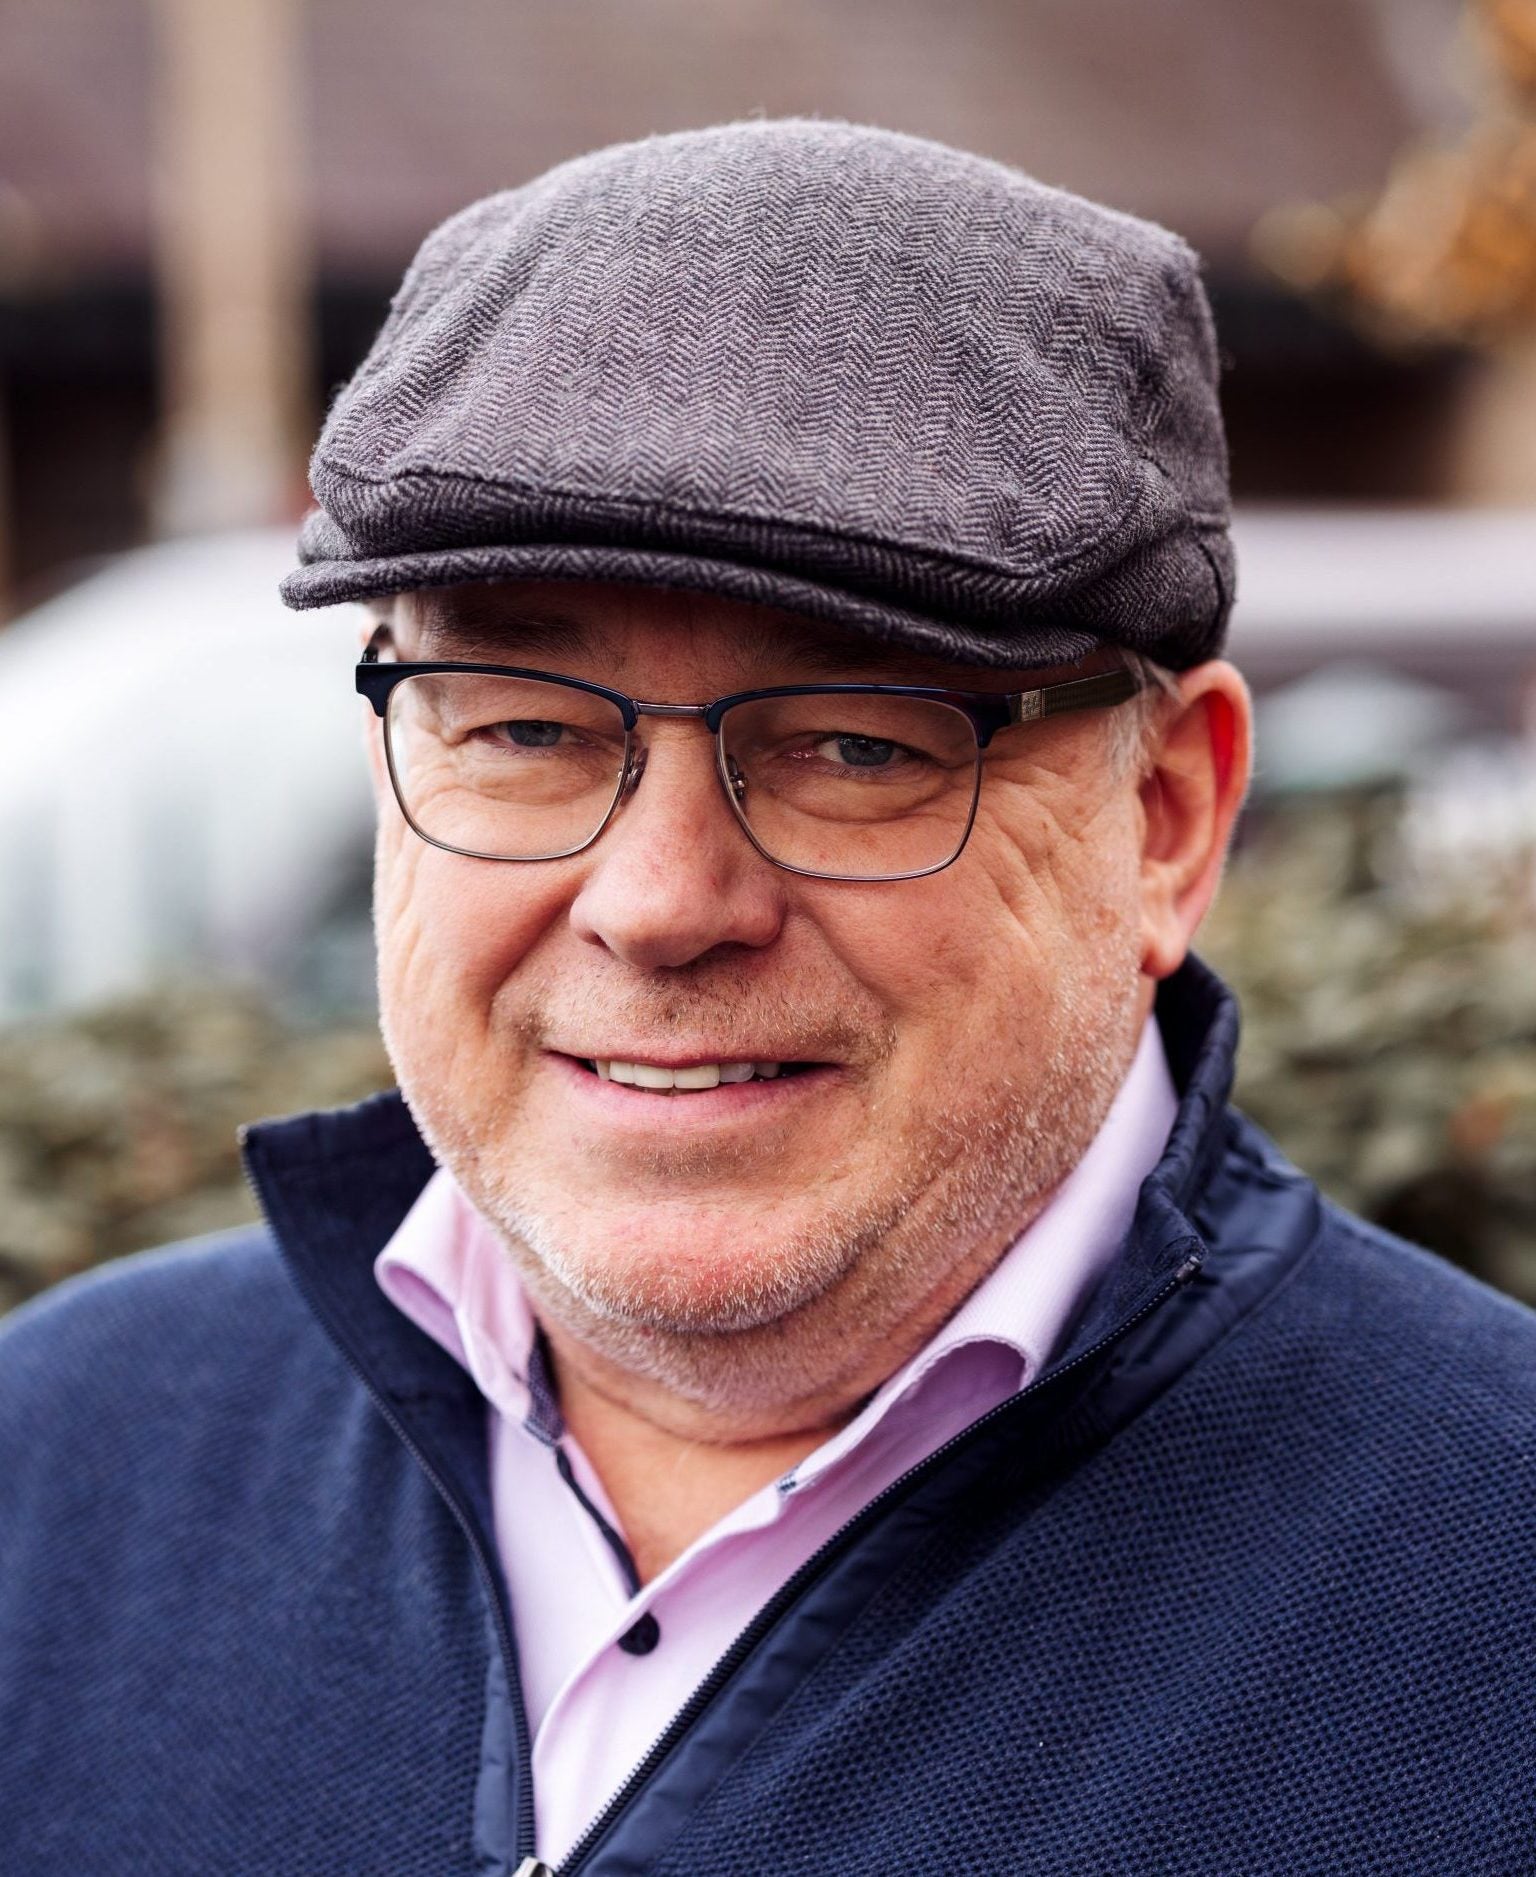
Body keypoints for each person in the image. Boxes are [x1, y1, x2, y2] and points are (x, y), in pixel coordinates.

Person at [2, 120, 1532, 1877]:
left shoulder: (1492, 1604)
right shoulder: (65, 1468)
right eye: (519, 725)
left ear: (1168, 820)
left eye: (858, 745)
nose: (659, 904)